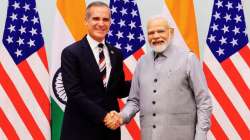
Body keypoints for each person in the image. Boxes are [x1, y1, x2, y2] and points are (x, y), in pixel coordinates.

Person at [105, 16, 213, 140]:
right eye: (151, 33)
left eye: (160, 31)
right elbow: (134, 100)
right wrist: (121, 117)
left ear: (171, 32)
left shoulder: (188, 59)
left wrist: (201, 135)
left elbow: (204, 102)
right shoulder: (142, 62)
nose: (156, 36)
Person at [60, 1, 130, 140]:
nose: (101, 23)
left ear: (110, 22)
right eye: (96, 18)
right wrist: (104, 116)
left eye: (105, 19)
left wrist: (145, 80)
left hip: (109, 132)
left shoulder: (116, 53)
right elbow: (74, 92)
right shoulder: (71, 53)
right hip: (79, 130)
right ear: (86, 21)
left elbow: (120, 89)